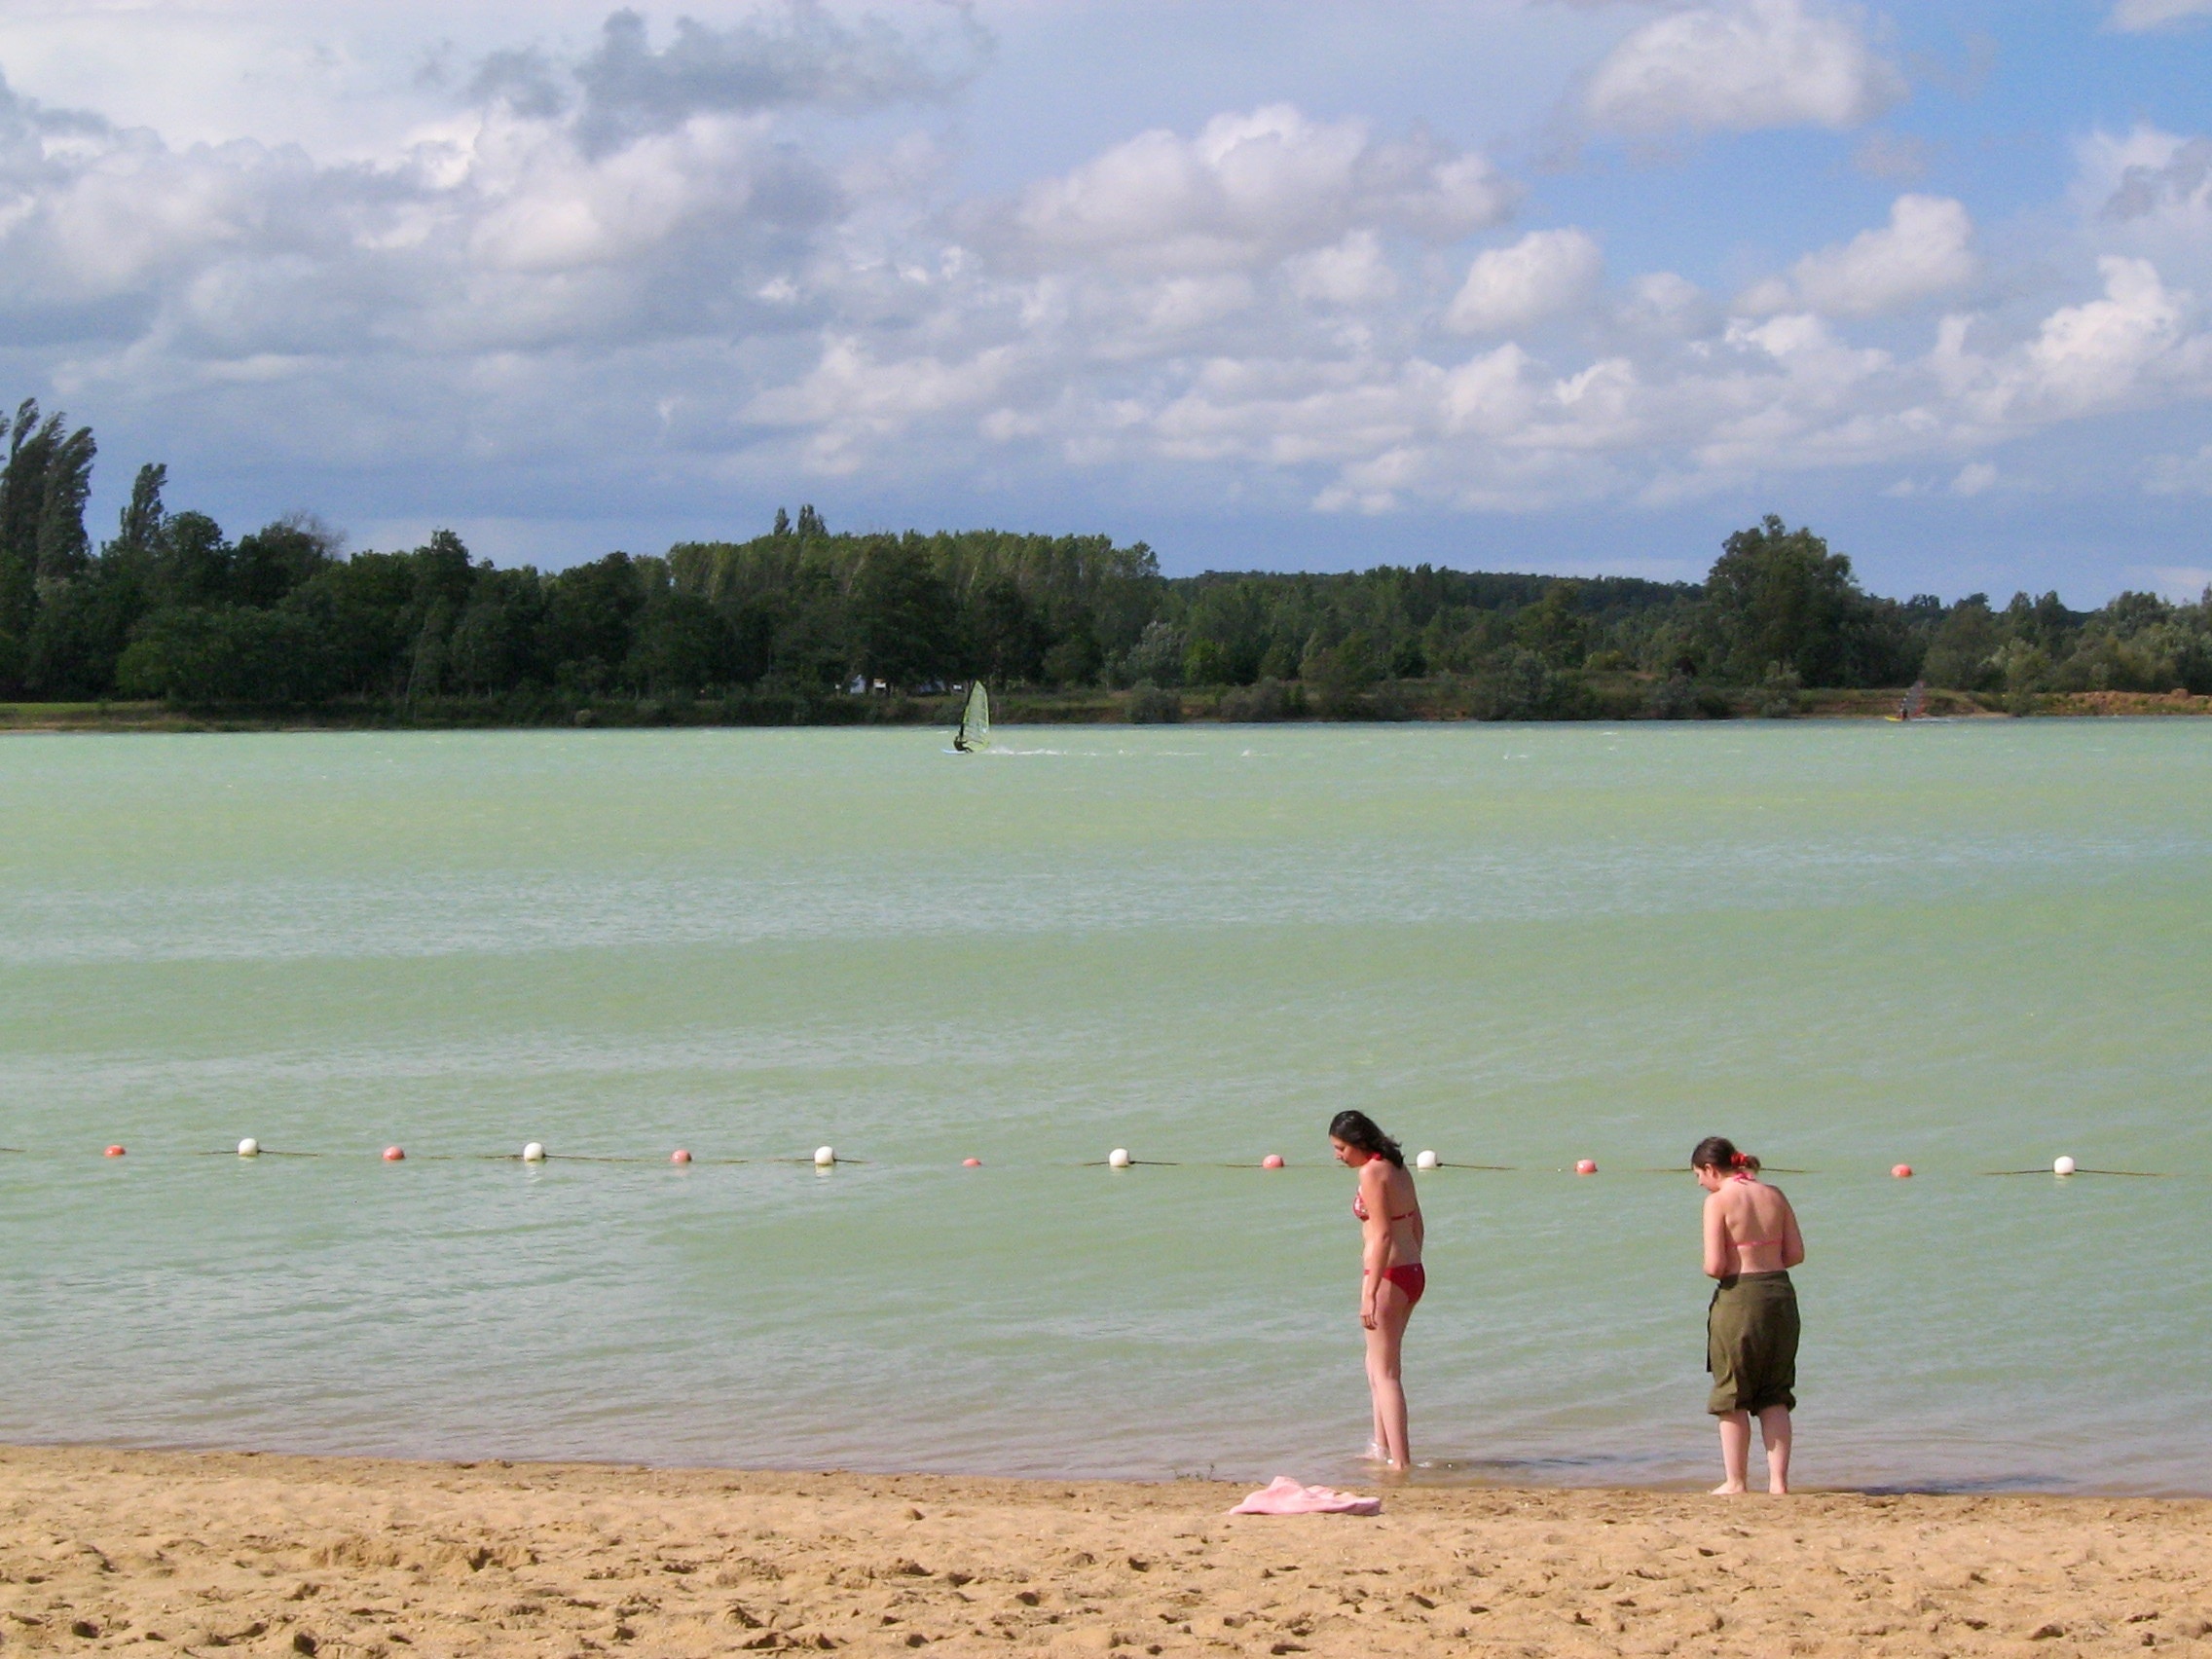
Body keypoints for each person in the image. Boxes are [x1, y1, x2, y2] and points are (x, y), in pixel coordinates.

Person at [1692, 1135, 1804, 1495]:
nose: (1699, 1183)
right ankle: (1778, 1484)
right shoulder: (1775, 1194)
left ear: (1711, 1169)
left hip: (1740, 1297)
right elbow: (1796, 1254)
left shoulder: (1718, 1201)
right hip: (1780, 1295)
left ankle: (1736, 1481)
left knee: (1732, 1393)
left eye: (1698, 1175)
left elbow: (1714, 1265)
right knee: (1775, 1392)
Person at [1328, 1110, 1424, 1474]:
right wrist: (1412, 1261)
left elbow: (1382, 1234)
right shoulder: (1397, 1167)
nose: (1338, 1155)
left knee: (1385, 1374)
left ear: (1359, 1144)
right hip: (1411, 1272)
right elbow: (1416, 1222)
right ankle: (1380, 1447)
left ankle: (1400, 1462)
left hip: (1386, 1276)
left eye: (1341, 1148)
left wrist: (1369, 1291)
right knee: (1377, 1366)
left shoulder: (1371, 1172)